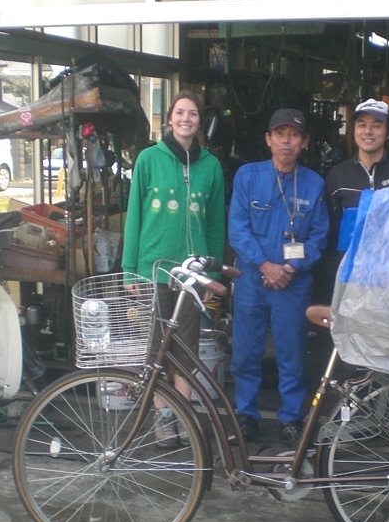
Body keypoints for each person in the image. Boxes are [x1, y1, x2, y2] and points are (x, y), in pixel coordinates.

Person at [122, 90, 226, 446]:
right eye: (180, 113)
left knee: (187, 350)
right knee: (157, 349)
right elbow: (133, 216)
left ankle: (182, 413)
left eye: (193, 114)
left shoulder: (210, 165)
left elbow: (215, 223)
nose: (186, 119)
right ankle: (162, 416)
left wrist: (211, 274)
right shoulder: (149, 159)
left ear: (200, 122)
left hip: (192, 274)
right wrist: (129, 270)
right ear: (169, 119)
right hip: (155, 269)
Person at [227, 108, 329, 444]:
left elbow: (318, 236)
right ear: (268, 140)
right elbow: (237, 229)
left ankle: (291, 418)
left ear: (304, 143)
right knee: (245, 352)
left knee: (292, 354)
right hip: (252, 280)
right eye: (280, 134)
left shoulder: (314, 184)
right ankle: (246, 415)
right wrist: (264, 265)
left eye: (294, 135)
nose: (287, 141)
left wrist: (290, 268)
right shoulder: (247, 176)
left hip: (292, 283)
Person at [313, 98, 389, 302]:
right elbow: (330, 227)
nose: (368, 131)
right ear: (353, 130)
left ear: (388, 132)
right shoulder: (338, 176)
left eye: (376, 125)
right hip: (352, 277)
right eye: (362, 124)